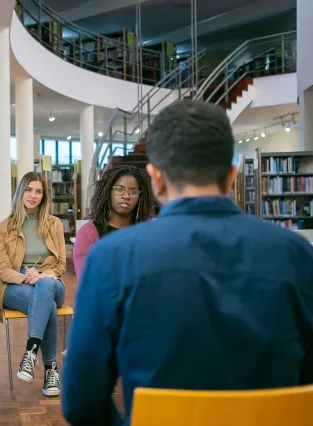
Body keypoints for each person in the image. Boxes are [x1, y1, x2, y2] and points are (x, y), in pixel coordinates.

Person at [62, 100, 313, 425]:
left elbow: (81, 402)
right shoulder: (295, 254)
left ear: (156, 179)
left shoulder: (111, 259)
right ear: (231, 176)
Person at [0, 171, 66, 397]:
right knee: (48, 305)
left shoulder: (54, 224)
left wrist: (43, 275)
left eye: (39, 191)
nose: (33, 195)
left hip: (51, 282)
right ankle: (51, 370)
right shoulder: (5, 227)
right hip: (15, 285)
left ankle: (31, 352)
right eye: (29, 189)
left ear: (44, 196)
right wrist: (27, 277)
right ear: (20, 192)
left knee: (45, 288)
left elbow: (61, 263)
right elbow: (3, 270)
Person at [73, 165, 155, 280]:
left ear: (140, 197)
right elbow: (87, 280)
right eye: (119, 189)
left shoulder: (148, 232)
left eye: (133, 191)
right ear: (108, 192)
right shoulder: (88, 233)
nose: (126, 196)